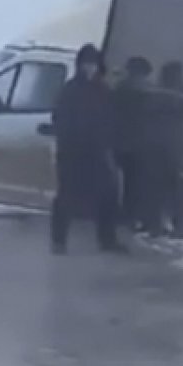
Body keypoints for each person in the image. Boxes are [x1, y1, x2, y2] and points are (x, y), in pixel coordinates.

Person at [50, 44, 126, 255]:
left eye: (93, 64)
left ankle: (107, 240)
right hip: (72, 153)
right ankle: (59, 241)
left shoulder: (103, 91)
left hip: (98, 152)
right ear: (80, 65)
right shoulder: (70, 90)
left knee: (108, 196)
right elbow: (60, 119)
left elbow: (111, 120)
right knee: (66, 197)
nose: (89, 69)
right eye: (86, 64)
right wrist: (67, 142)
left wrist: (109, 144)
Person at [140, 61, 183, 240]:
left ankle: (154, 224)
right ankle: (179, 225)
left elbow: (142, 117)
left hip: (155, 146)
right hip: (176, 146)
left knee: (154, 186)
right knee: (179, 187)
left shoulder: (153, 93)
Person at [111, 56, 155, 229]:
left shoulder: (121, 88)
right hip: (141, 144)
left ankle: (120, 213)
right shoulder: (150, 91)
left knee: (118, 181)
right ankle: (133, 215)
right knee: (135, 182)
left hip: (121, 142)